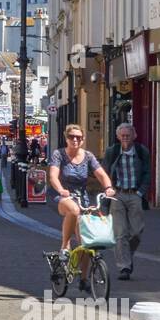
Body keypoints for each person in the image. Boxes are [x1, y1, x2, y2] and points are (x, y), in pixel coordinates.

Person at [48, 123, 116, 291]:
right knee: (73, 210)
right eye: (72, 137)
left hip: (82, 197)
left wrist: (108, 188)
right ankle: (65, 246)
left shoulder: (88, 156)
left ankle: (84, 279)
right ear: (66, 138)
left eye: (79, 137)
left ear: (83, 139)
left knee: (87, 241)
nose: (75, 140)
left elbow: (101, 174)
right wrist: (61, 189)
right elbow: (53, 176)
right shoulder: (59, 155)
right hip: (61, 196)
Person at [102, 123, 150, 280]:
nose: (125, 138)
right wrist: (108, 189)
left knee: (136, 232)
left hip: (135, 194)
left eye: (128, 135)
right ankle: (124, 267)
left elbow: (147, 173)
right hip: (118, 194)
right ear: (118, 137)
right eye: (122, 136)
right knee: (120, 234)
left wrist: (140, 192)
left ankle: (126, 257)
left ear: (134, 136)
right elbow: (105, 172)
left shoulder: (142, 151)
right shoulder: (112, 152)